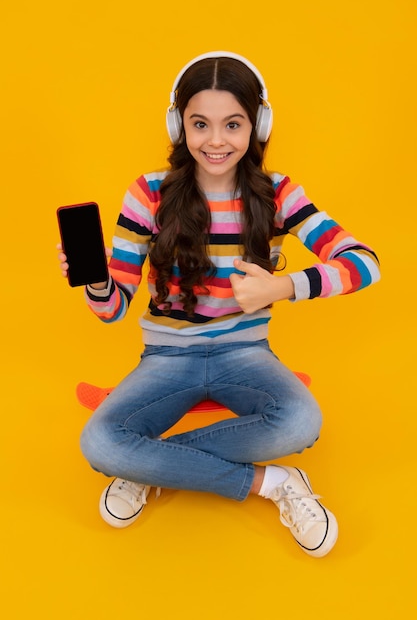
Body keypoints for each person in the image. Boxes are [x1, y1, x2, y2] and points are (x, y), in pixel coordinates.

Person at [58, 51, 380, 557]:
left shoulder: (279, 195)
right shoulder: (149, 194)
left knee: (302, 422)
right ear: (178, 124)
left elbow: (365, 262)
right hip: (167, 357)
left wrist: (283, 286)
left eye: (232, 124)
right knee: (98, 443)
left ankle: (146, 466)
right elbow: (113, 309)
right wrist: (96, 283)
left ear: (258, 125)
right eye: (199, 123)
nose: (215, 140)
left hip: (246, 355)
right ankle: (271, 484)